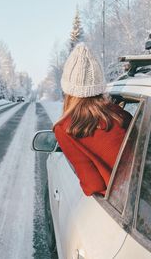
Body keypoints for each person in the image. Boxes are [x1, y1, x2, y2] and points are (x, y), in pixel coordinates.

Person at [53, 43, 132, 196]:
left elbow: (93, 185)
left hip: (119, 200)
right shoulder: (120, 114)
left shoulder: (65, 129)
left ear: (68, 89)